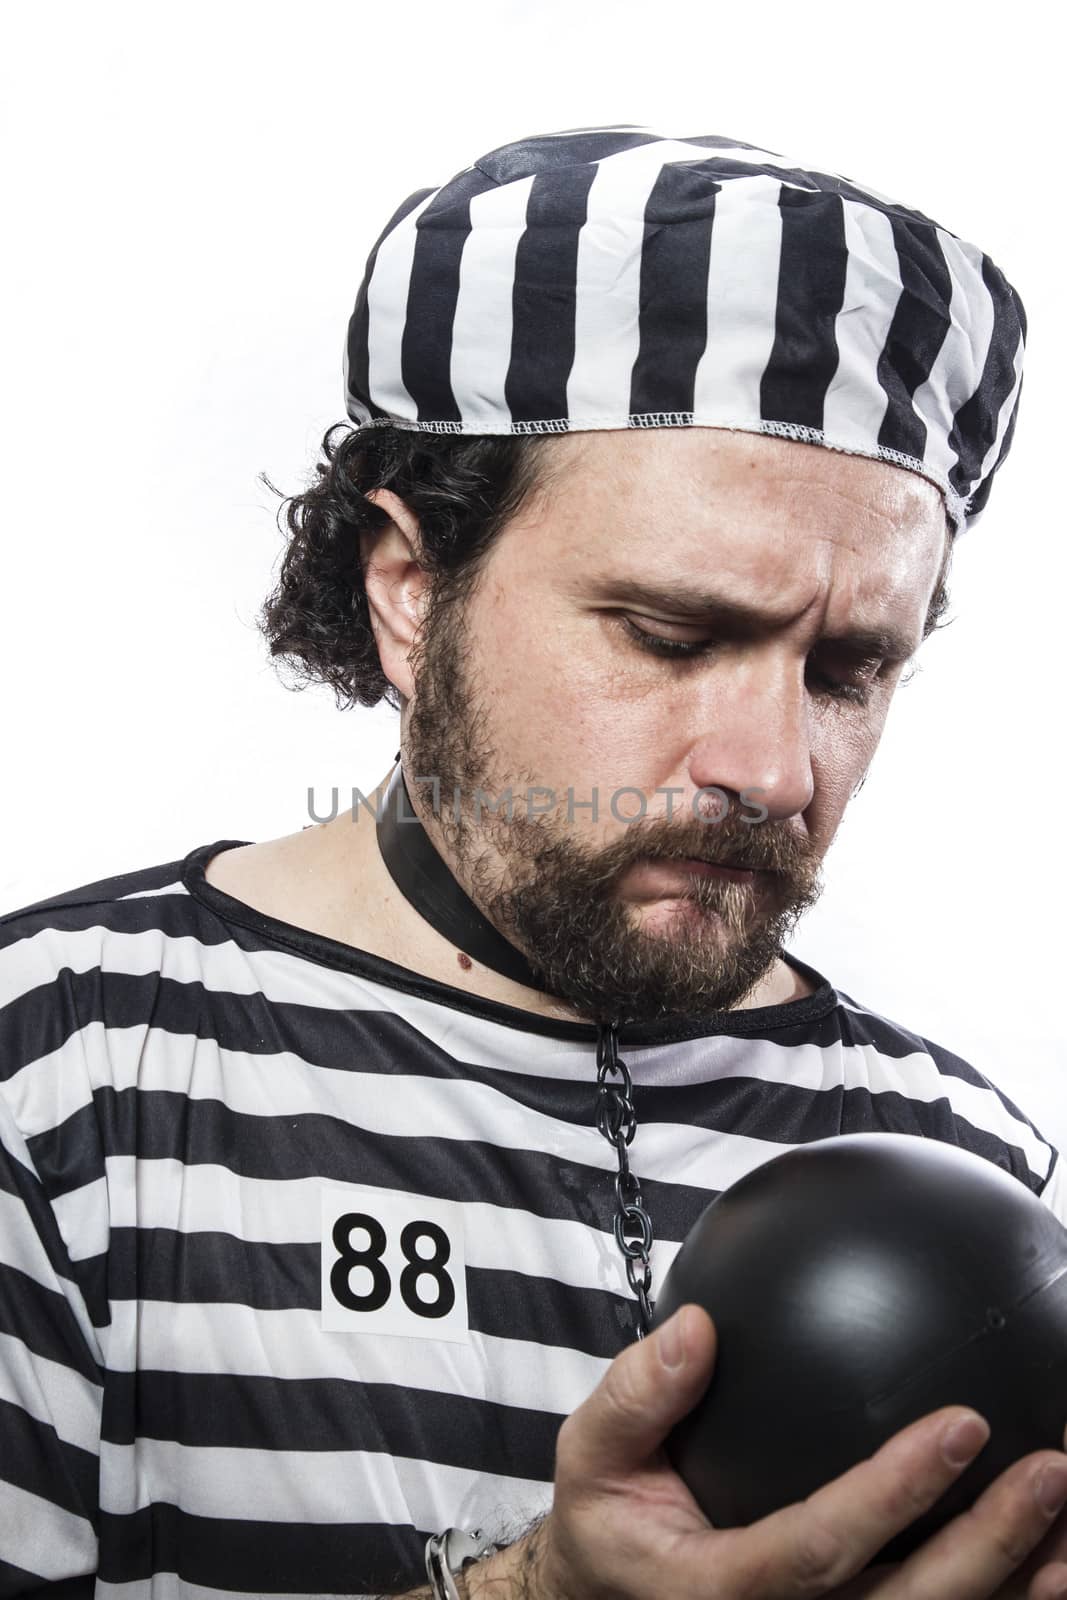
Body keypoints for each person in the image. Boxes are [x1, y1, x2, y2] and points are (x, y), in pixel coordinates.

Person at [1, 125, 1065, 1600]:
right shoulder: (62, 1080)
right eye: (673, 636)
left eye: (849, 668)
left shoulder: (971, 1162)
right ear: (409, 590)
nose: (771, 769)